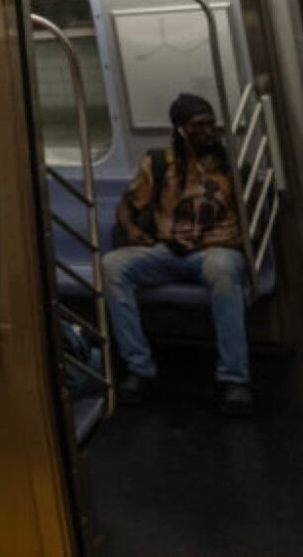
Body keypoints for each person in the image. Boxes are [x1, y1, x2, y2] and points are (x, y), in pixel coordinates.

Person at [104, 92, 254, 416]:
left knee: (224, 271)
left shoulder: (229, 166)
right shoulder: (159, 164)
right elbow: (126, 206)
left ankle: (234, 379)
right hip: (166, 252)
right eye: (199, 125)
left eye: (211, 124)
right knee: (113, 266)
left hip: (217, 251)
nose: (208, 131)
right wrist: (132, 232)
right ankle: (139, 368)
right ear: (181, 129)